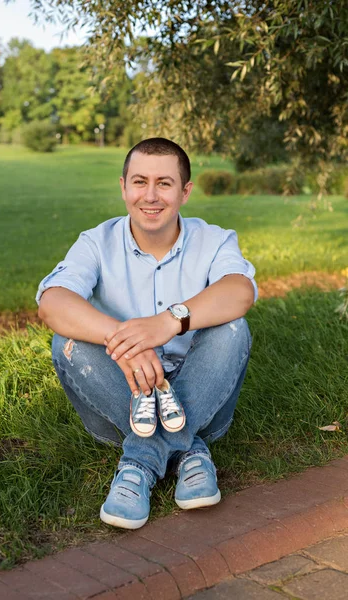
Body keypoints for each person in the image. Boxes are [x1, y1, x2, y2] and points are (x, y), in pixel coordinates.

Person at [36, 137, 257, 530]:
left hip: (204, 386)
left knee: (232, 328)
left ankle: (140, 460)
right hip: (121, 393)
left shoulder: (215, 239)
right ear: (123, 186)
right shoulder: (96, 242)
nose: (150, 196)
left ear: (185, 191)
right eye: (139, 182)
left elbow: (239, 292)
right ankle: (189, 452)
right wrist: (122, 340)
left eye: (164, 183)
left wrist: (168, 321)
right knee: (67, 341)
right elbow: (53, 302)